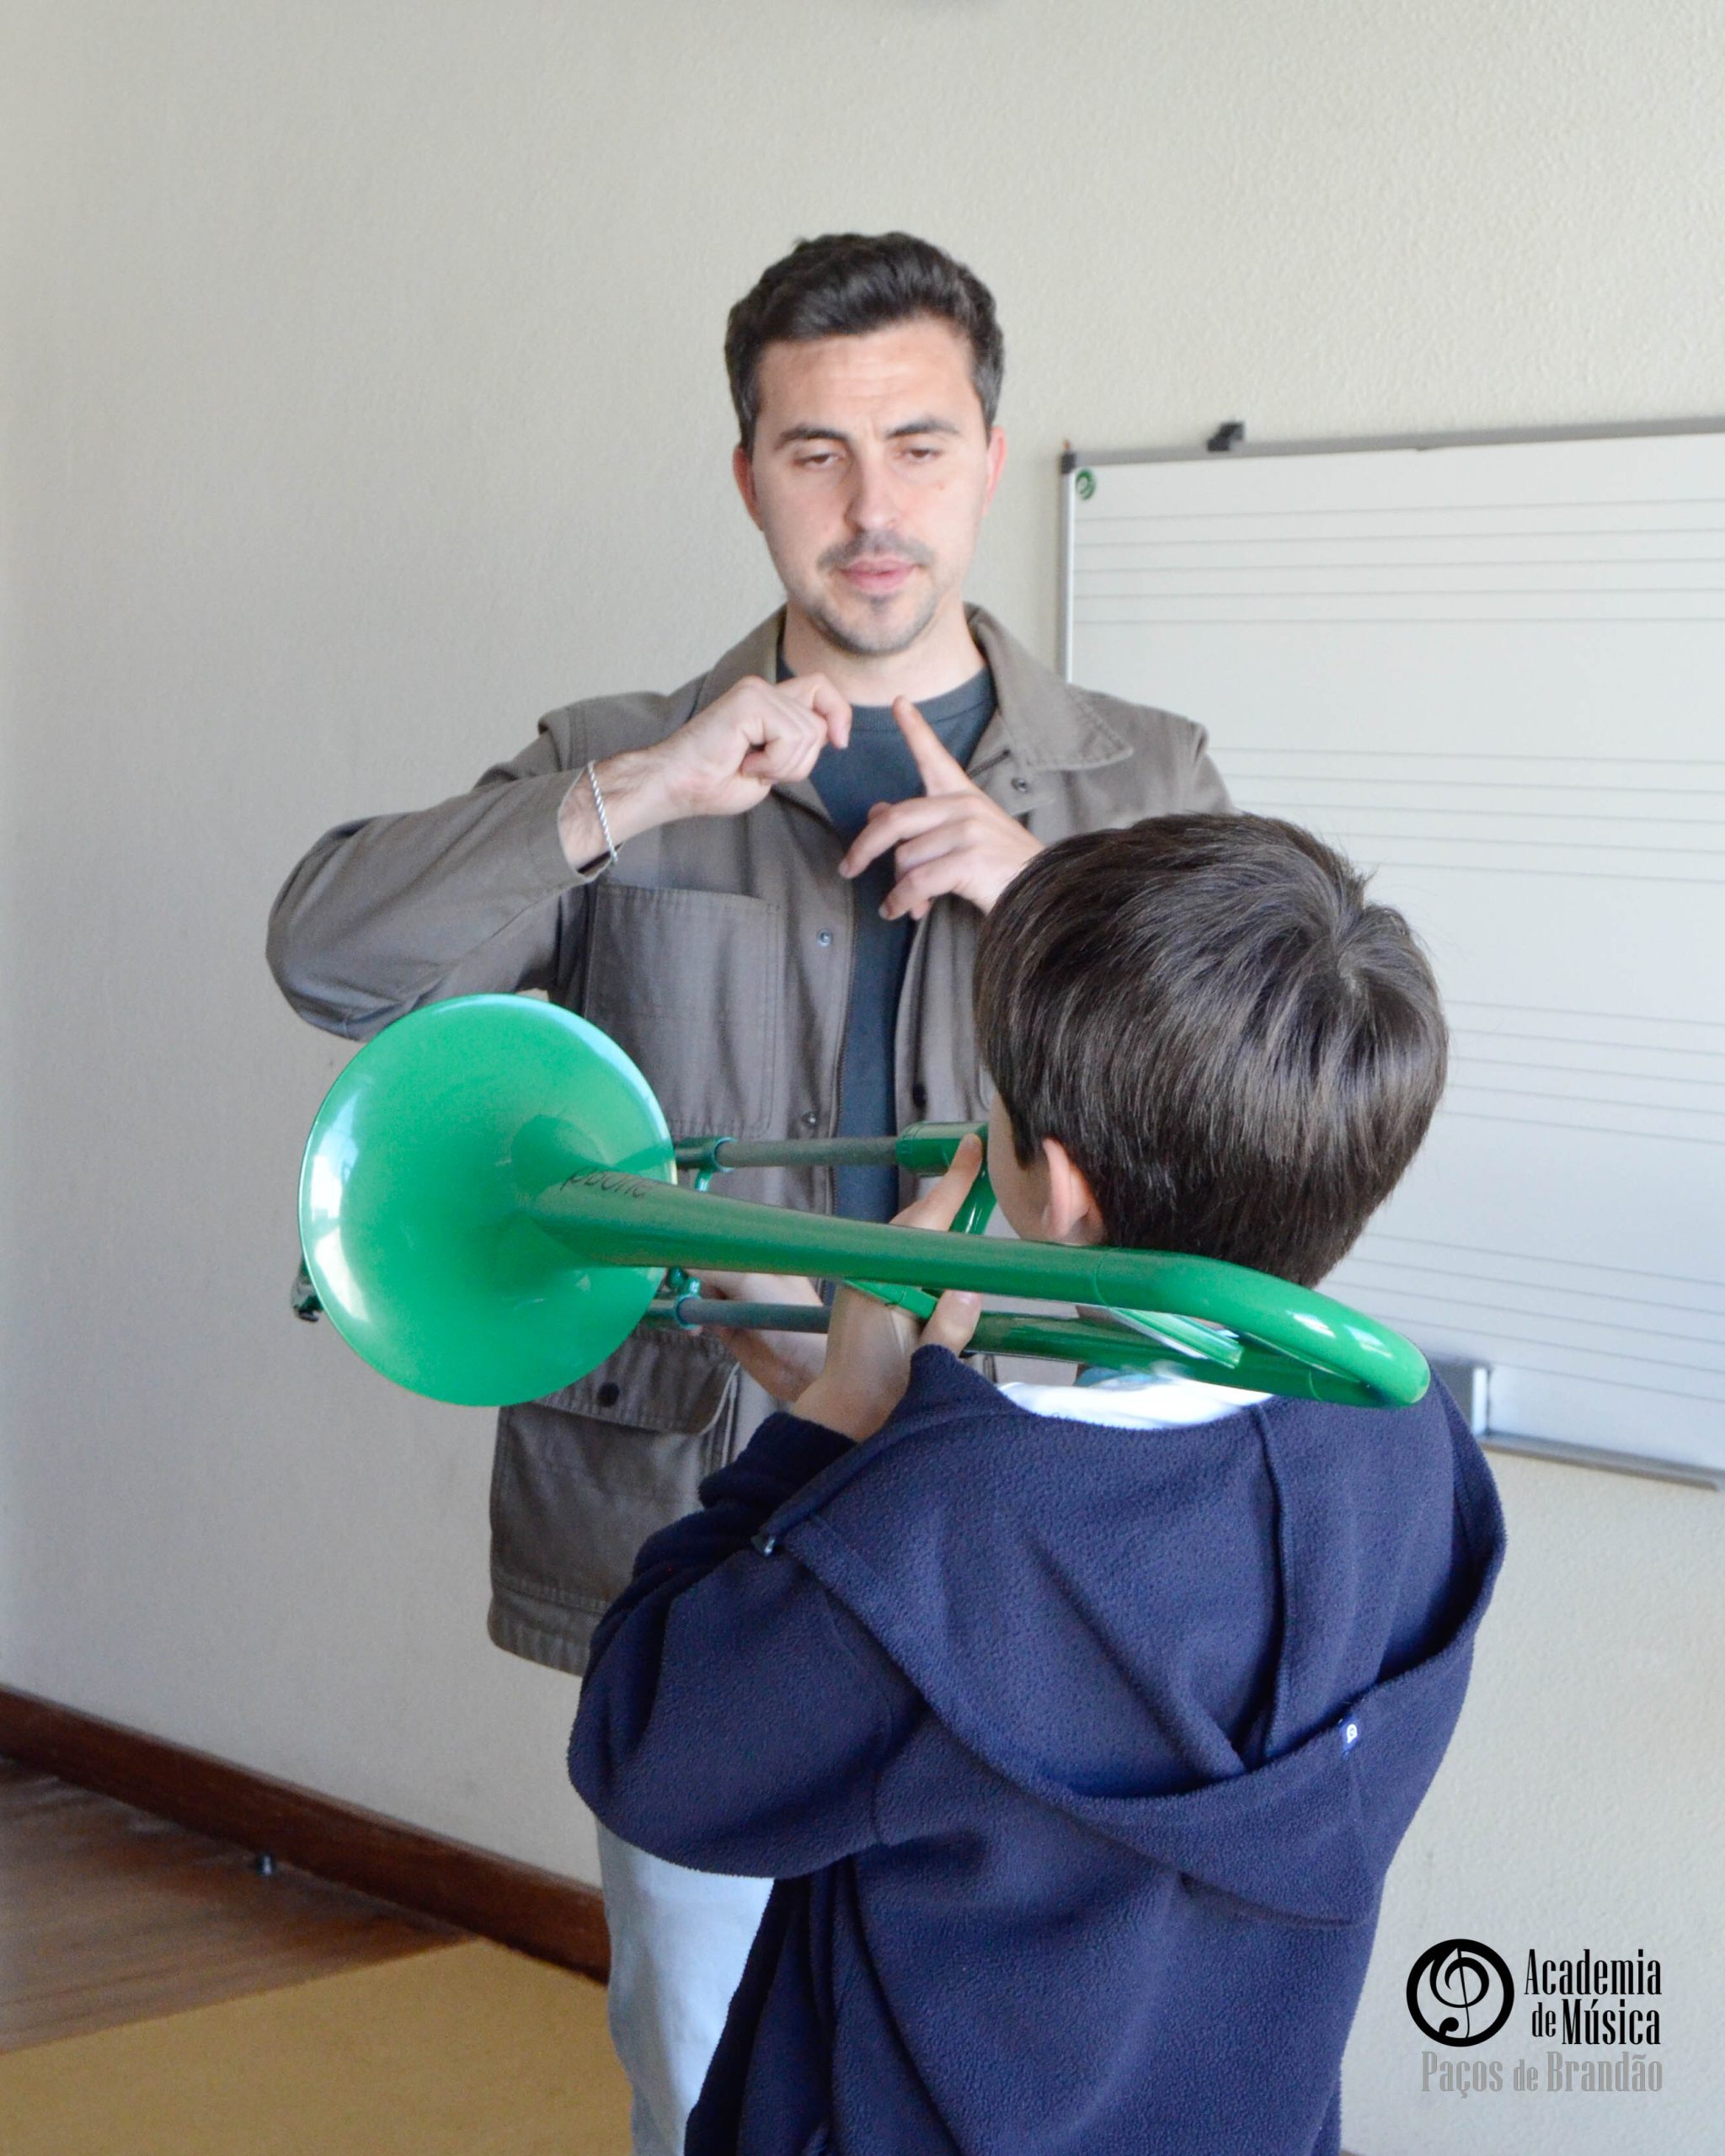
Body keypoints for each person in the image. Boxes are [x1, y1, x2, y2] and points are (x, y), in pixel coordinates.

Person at [267, 231, 1230, 2154]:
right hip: (719, 1534)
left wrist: (1047, 901)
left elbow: (1250, 1122)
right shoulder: (616, 757)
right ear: (746, 476)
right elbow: (327, 957)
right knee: (706, 2070)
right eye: (815, 452)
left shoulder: (1149, 776)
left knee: (1028, 2073)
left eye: (919, 444)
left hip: (1040, 1536)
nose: (872, 509)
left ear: (990, 456)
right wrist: (638, 792)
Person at [569, 813, 1507, 2156]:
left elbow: (646, 1745)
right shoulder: (1417, 1453)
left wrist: (835, 1424)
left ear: (1057, 1186)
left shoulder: (944, 1525)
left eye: (995, 1097)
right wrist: (908, 1455)